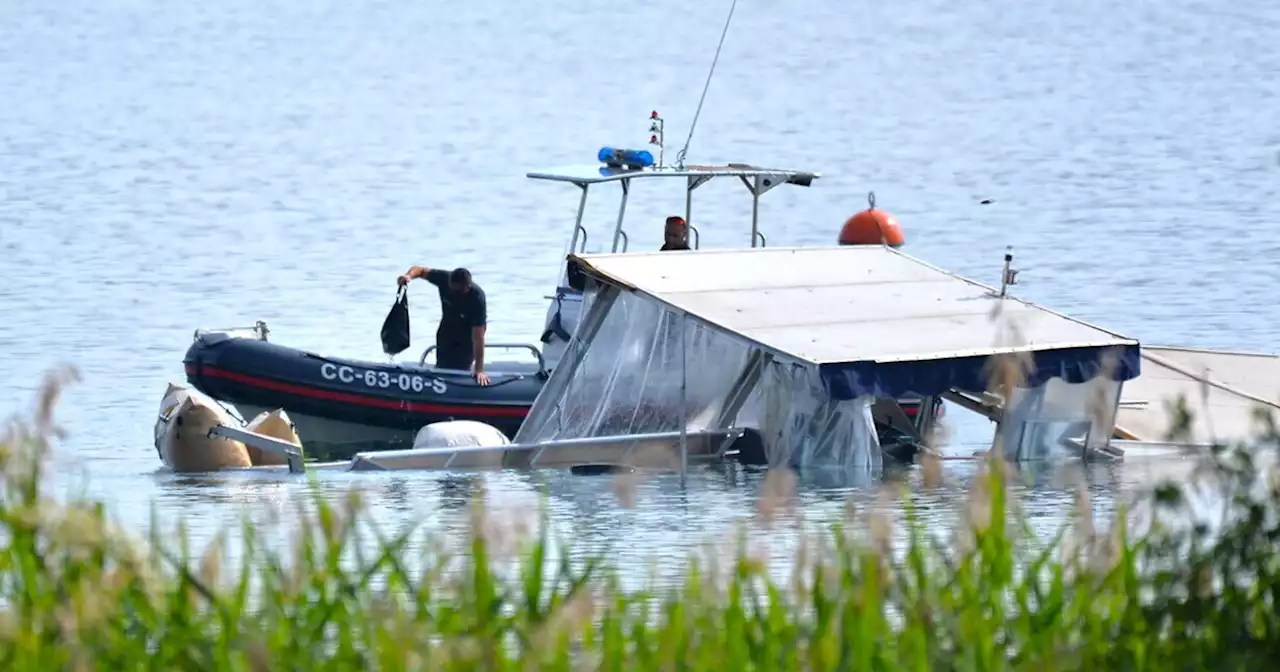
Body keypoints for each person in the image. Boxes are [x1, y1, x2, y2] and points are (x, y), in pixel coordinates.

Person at [397, 265, 490, 385]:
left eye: (459, 291)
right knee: (442, 367)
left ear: (468, 286)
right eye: (452, 288)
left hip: (466, 337)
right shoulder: (444, 278)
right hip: (447, 331)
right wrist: (408, 276)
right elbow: (420, 270)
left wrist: (479, 370)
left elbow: (478, 337)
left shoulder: (477, 298)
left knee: (459, 370)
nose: (454, 293)